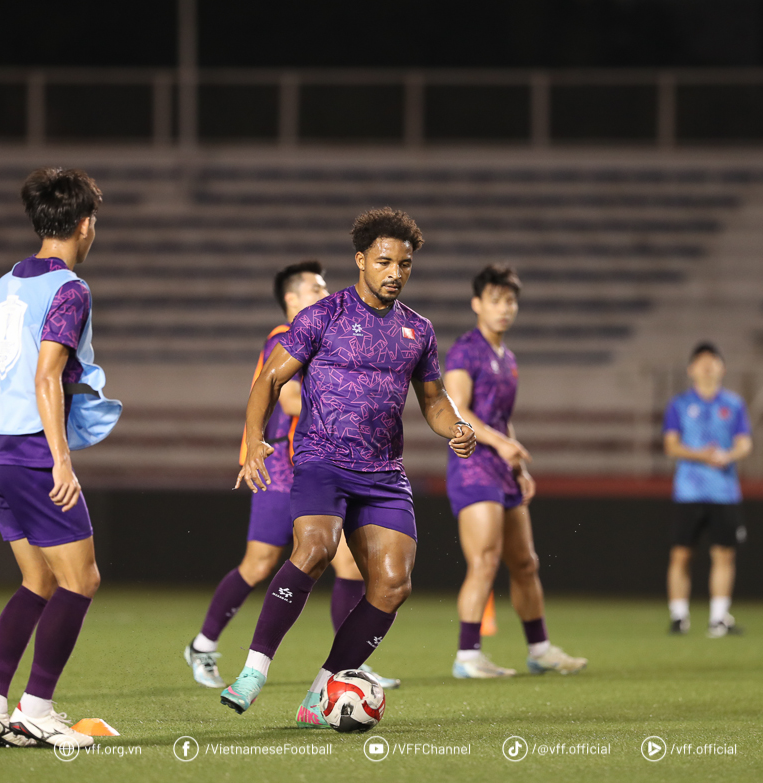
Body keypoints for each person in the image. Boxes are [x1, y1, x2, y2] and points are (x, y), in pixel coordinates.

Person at [220, 207, 476, 727]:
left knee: (392, 585)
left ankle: (323, 689)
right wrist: (251, 441)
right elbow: (268, 382)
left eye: (405, 264)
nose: (395, 272)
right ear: (360, 260)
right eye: (385, 261)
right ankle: (253, 669)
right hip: (322, 461)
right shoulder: (322, 316)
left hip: (383, 474)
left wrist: (457, 429)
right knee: (315, 548)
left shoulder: (418, 331)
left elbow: (434, 401)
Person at [183, 260, 399, 691]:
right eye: (315, 289)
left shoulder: (323, 338)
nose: (325, 294)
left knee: (350, 568)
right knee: (258, 564)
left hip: (321, 469)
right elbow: (292, 399)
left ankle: (347, 665)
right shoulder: (283, 339)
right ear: (292, 299)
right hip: (283, 468)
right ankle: (203, 645)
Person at [0, 167, 121, 749]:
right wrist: (59, 459)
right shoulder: (69, 288)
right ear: (84, 225)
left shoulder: (7, 283)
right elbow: (48, 374)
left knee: (37, 579)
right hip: (31, 454)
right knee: (80, 580)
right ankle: (36, 709)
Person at [445, 265, 588, 678]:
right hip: (471, 466)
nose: (504, 308)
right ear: (477, 304)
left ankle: (539, 649)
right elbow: (458, 411)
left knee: (525, 562)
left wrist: (518, 464)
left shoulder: (508, 359)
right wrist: (500, 444)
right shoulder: (465, 350)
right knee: (485, 560)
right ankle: (468, 656)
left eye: (510, 301)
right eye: (495, 300)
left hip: (501, 469)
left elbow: (503, 419)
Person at [663, 342, 753, 637]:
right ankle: (678, 616)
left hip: (724, 490)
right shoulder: (678, 404)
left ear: (722, 368)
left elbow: (744, 443)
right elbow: (671, 445)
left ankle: (718, 617)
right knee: (681, 554)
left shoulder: (734, 404)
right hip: (688, 490)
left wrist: (727, 456)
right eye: (701, 361)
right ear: (691, 370)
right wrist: (703, 455)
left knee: (724, 554)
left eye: (713, 361)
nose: (707, 366)